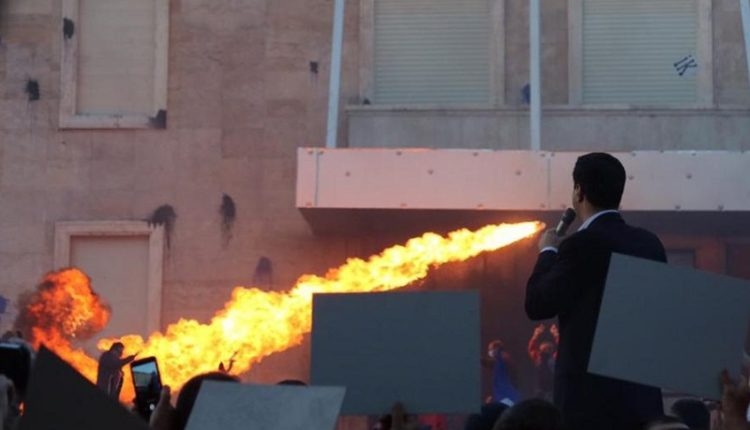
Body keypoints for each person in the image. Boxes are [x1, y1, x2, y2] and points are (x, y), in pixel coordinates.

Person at [525, 152, 667, 430]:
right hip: (642, 399)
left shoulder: (581, 245)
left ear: (579, 191)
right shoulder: (649, 244)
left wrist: (548, 251)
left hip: (588, 403)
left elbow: (537, 304)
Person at [527, 323, 558, 401]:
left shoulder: (554, 358)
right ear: (540, 350)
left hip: (552, 389)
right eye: (544, 349)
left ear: (551, 350)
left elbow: (562, 347)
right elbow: (531, 348)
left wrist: (556, 334)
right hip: (540, 390)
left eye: (548, 349)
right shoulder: (538, 358)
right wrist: (535, 335)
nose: (546, 350)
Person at [485, 340, 520, 406]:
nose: (489, 352)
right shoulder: (503, 359)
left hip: (506, 396)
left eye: (491, 349)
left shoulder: (503, 359)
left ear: (496, 349)